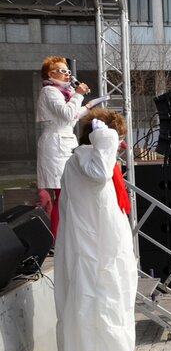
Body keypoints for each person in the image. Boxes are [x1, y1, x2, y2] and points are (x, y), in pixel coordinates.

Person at [54, 109, 148, 351]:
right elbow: (99, 176)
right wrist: (104, 137)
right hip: (92, 256)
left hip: (102, 252)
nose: (119, 145)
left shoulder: (92, 159)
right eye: (116, 138)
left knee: (112, 309)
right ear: (99, 137)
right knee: (97, 312)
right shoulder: (86, 160)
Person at [36, 55, 95, 240]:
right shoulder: (49, 91)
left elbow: (71, 116)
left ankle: (64, 237)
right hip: (56, 144)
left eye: (68, 71)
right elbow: (67, 114)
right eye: (62, 71)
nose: (67, 74)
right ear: (50, 74)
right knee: (62, 194)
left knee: (67, 194)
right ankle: (57, 239)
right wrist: (78, 94)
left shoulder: (63, 92)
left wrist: (87, 106)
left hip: (65, 141)